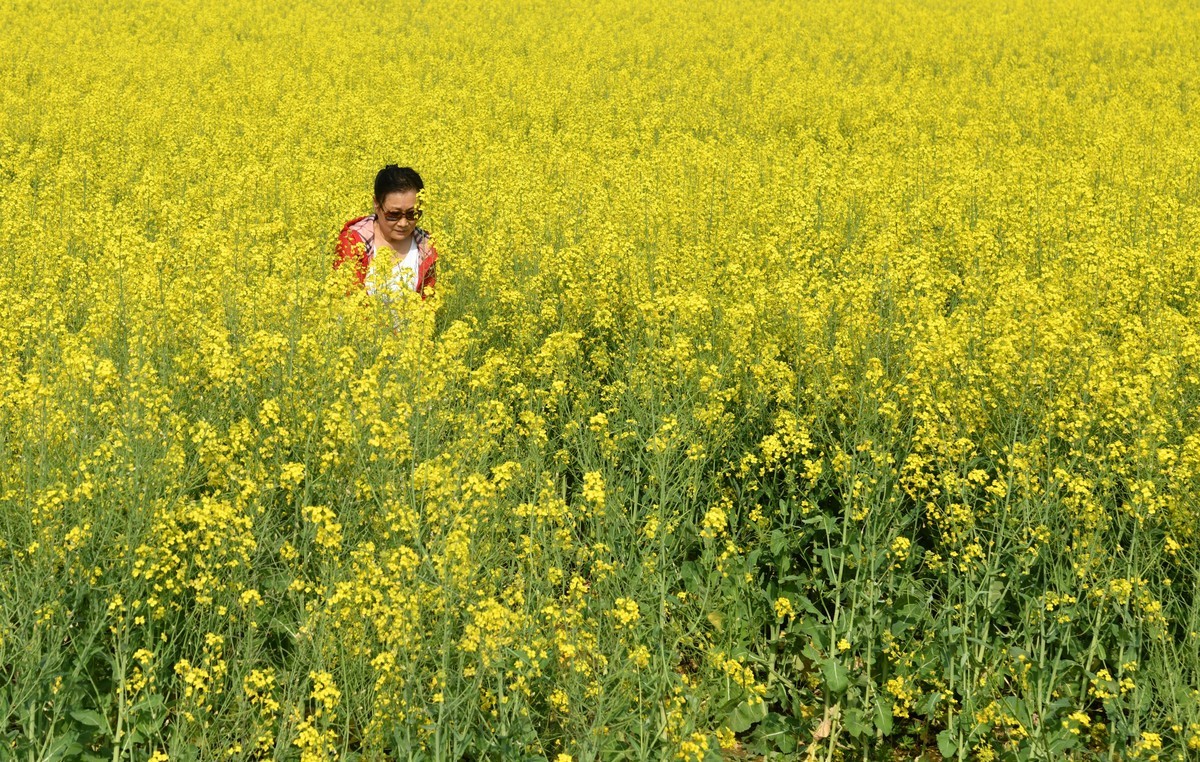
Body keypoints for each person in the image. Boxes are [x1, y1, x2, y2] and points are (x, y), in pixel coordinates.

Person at [335, 165, 438, 300]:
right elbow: (345, 299)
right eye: (394, 214)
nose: (403, 223)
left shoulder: (427, 246)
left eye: (412, 214)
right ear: (377, 204)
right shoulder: (353, 242)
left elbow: (428, 302)